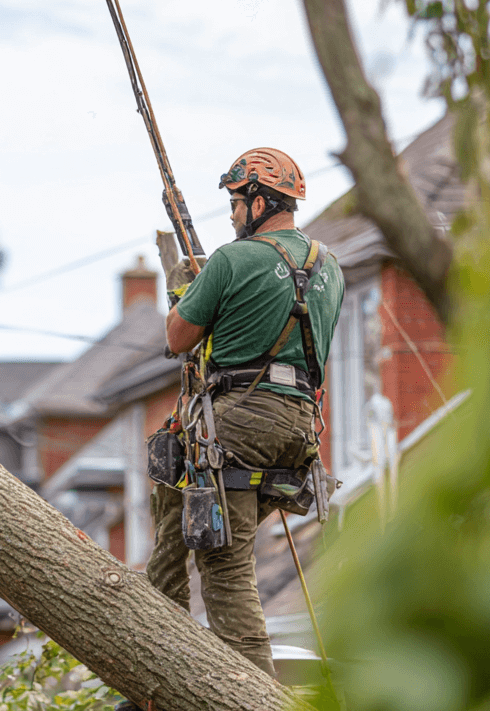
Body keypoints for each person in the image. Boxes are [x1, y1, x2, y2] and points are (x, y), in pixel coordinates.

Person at [146, 148, 344, 679]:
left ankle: (254, 703)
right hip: (297, 429)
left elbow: (177, 336)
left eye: (236, 203)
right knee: (178, 523)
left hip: (238, 422)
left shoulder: (234, 261)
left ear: (259, 201)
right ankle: (163, 670)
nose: (233, 215)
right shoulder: (330, 267)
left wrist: (190, 292)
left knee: (224, 564)